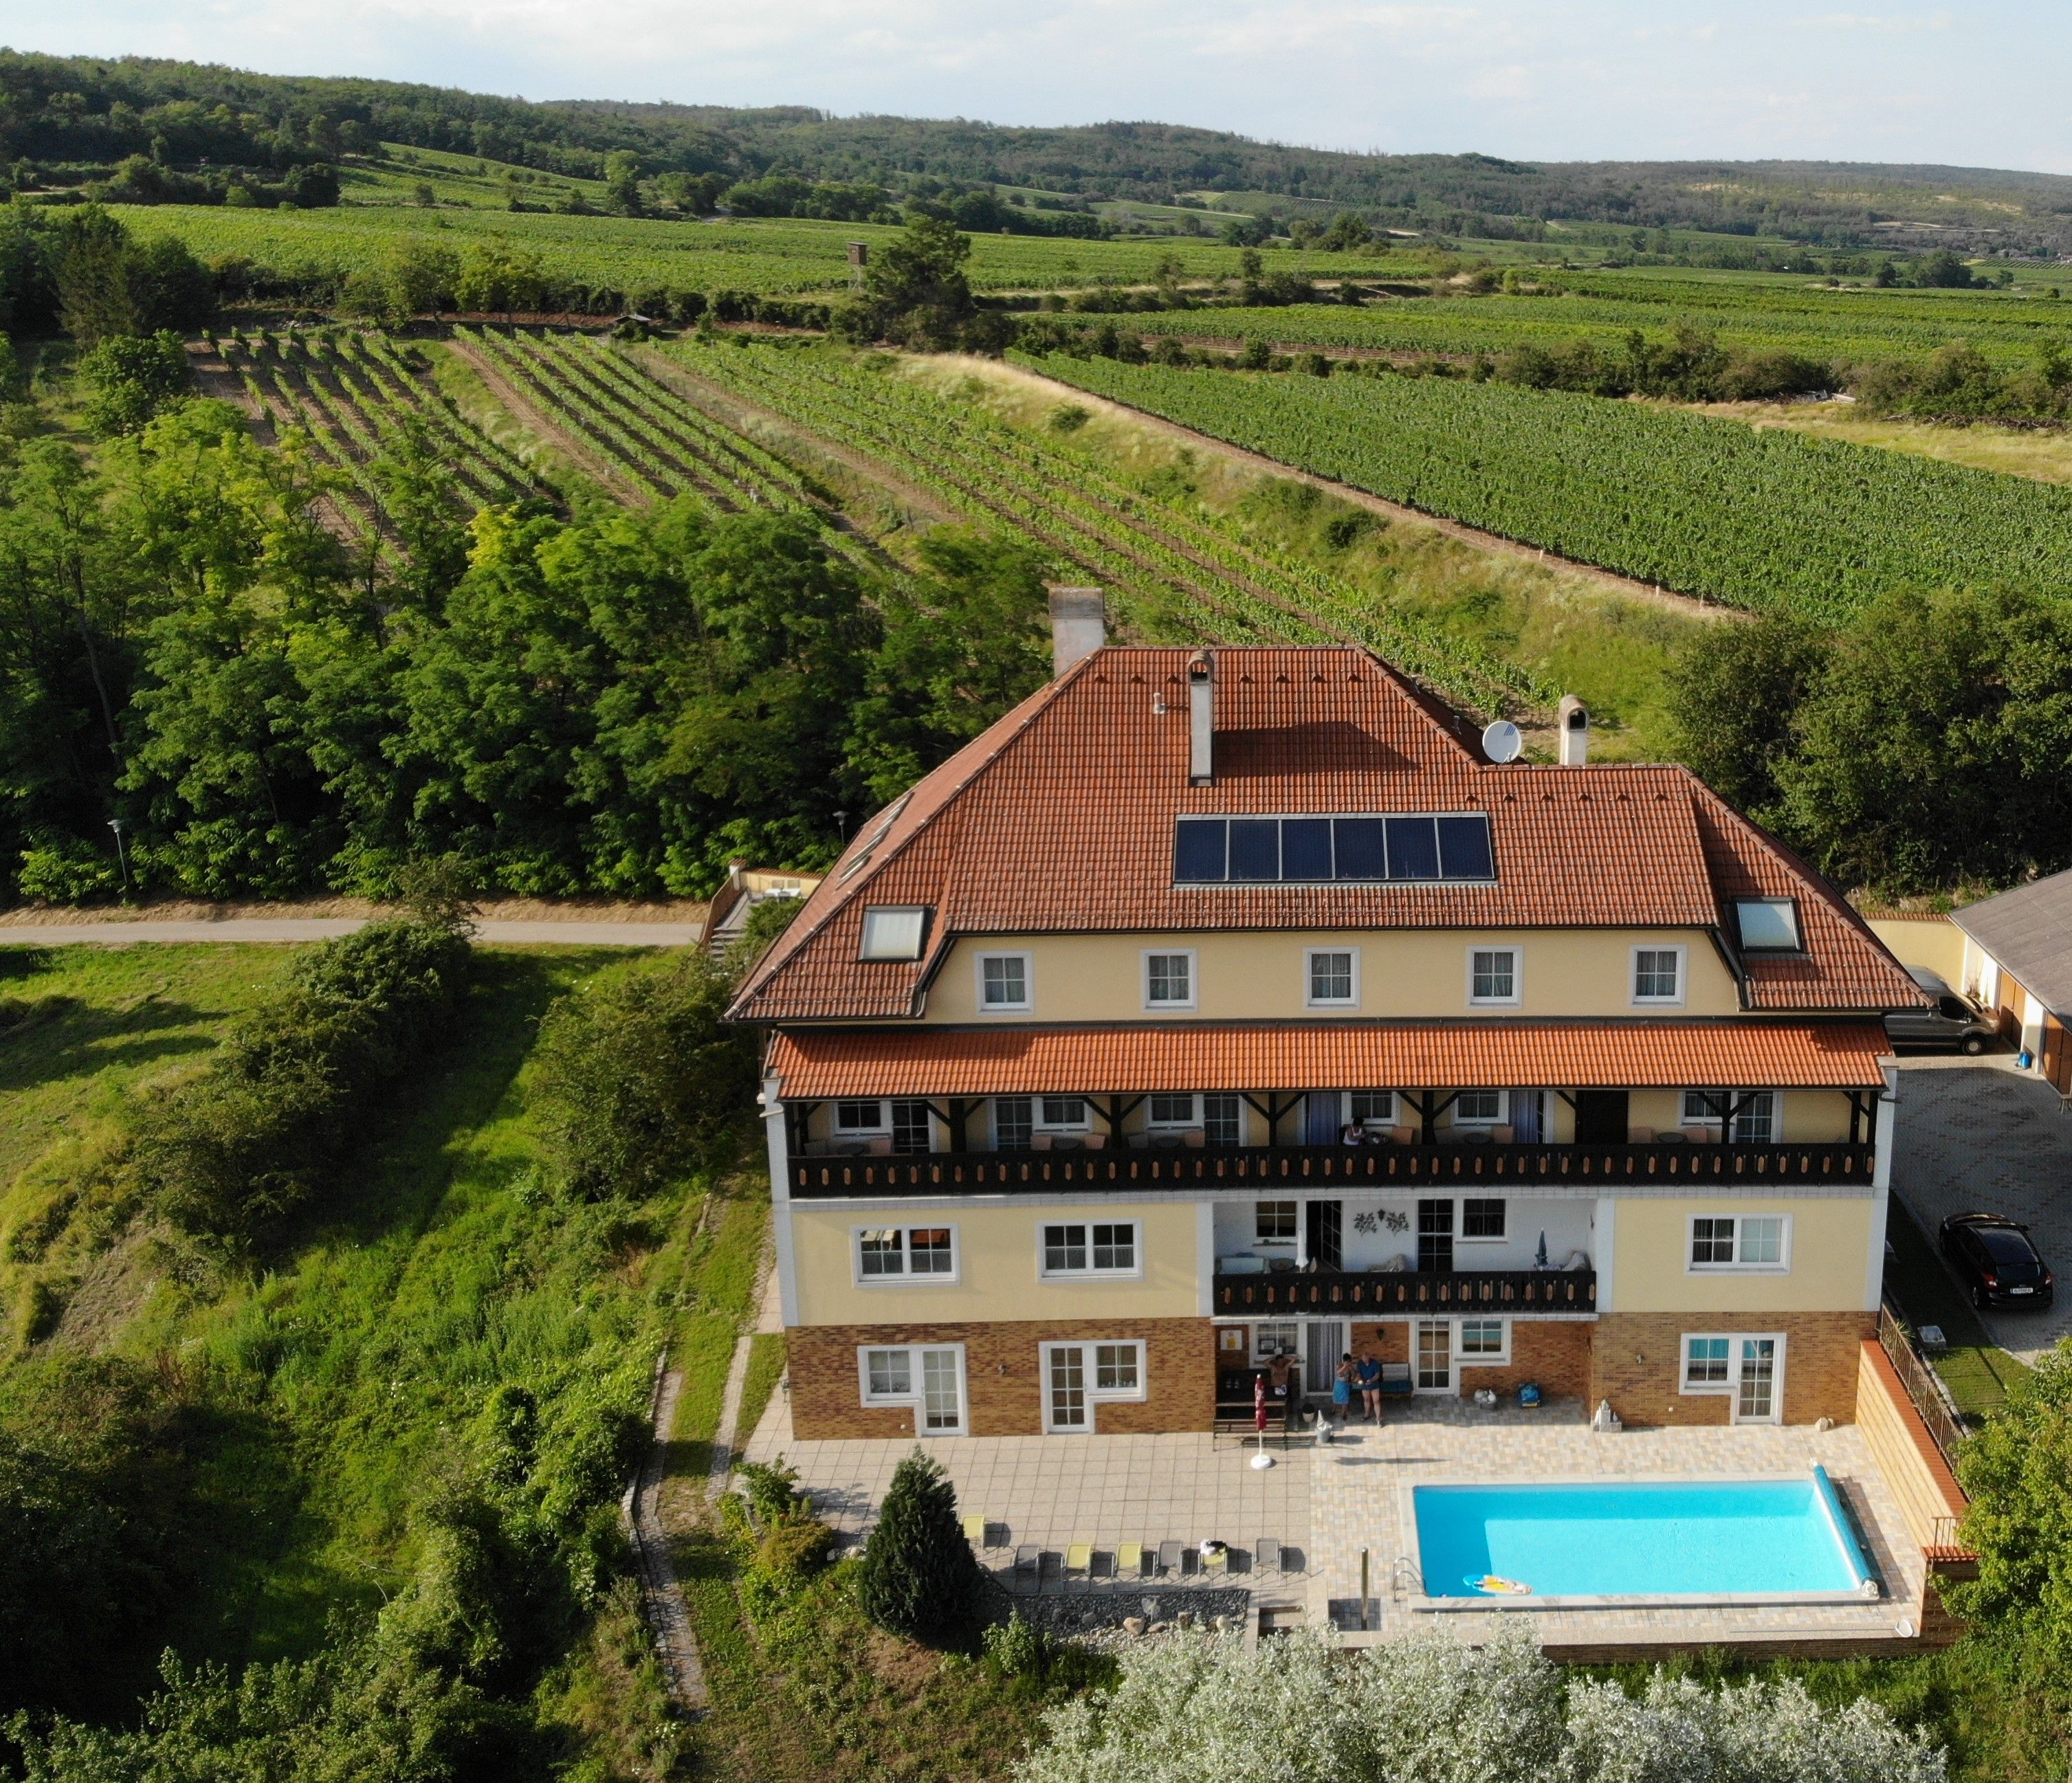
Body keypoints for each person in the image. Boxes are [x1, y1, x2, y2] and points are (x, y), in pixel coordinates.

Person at [1356, 1348, 1383, 1424]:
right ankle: (1367, 1414)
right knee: (1366, 1400)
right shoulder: (1360, 1363)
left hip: (1374, 1385)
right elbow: (1358, 1374)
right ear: (1361, 1357)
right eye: (1363, 1358)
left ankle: (1378, 1419)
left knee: (1376, 1401)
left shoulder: (1375, 1363)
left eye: (1366, 1358)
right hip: (1365, 1384)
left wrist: (1371, 1380)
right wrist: (1359, 1380)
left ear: (1369, 1357)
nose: (1365, 1359)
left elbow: (1377, 1375)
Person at [1332, 1352, 1354, 1426]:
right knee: (1336, 1398)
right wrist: (1345, 1366)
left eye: (1350, 1361)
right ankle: (1334, 1410)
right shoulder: (1339, 1365)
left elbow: (1354, 1374)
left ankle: (1344, 1414)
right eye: (1348, 1361)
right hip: (1338, 1384)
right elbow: (1338, 1373)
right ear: (1345, 1361)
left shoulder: (1350, 1367)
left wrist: (1351, 1380)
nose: (1349, 1363)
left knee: (1345, 1400)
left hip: (1345, 1385)